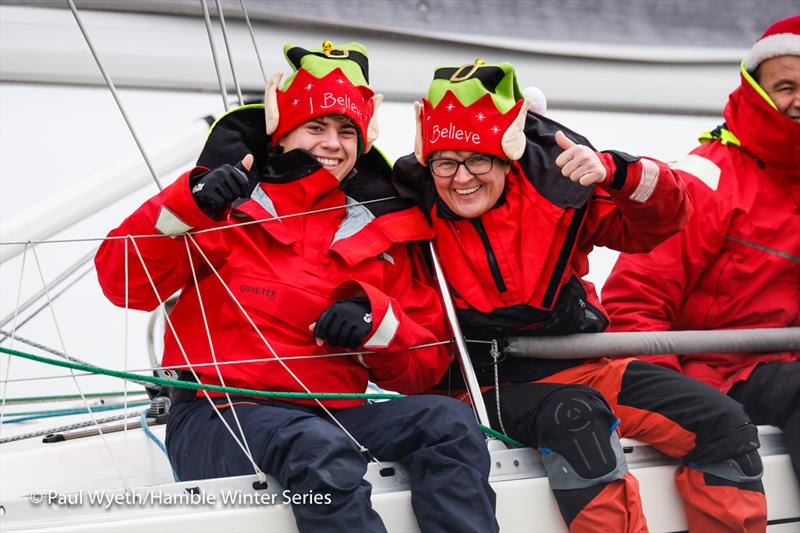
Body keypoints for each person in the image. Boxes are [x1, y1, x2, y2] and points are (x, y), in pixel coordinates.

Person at [94, 41, 499, 533]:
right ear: (281, 134)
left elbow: (425, 365)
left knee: (448, 425)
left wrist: (376, 324)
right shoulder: (222, 203)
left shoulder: (382, 231)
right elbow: (123, 283)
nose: (333, 142)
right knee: (315, 447)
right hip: (217, 415)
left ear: (363, 142)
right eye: (316, 127)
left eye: (346, 130)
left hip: (333, 415)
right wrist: (190, 207)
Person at [391, 59, 767, 532]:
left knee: (725, 423)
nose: (461, 177)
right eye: (445, 162)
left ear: (508, 157)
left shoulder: (559, 187)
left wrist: (617, 172)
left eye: (478, 159)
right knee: (578, 420)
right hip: (479, 387)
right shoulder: (403, 204)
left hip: (585, 366)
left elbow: (660, 225)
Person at [602, 16, 800, 486]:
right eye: (786, 86)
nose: (798, 100)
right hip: (717, 379)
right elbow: (633, 305)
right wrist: (681, 404)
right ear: (754, 89)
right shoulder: (701, 181)